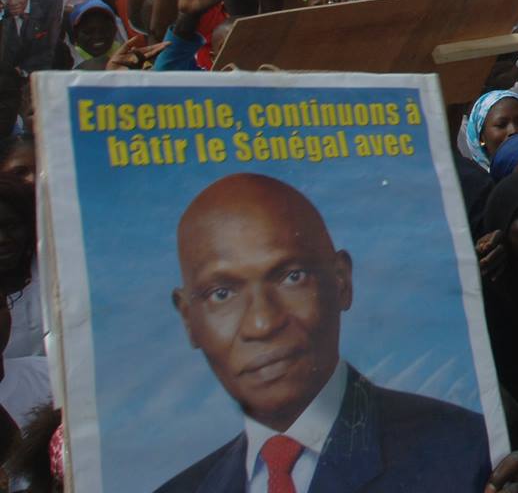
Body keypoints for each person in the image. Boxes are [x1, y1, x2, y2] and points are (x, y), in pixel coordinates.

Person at [155, 172, 490, 493]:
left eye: (292, 277)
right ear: (188, 317)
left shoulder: (467, 455)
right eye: (222, 294)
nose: (262, 323)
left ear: (341, 281)